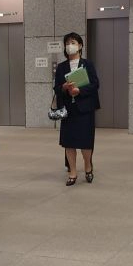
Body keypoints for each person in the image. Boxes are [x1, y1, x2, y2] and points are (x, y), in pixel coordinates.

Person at [54, 31, 100, 187]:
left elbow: (95, 84)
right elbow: (56, 88)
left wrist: (79, 91)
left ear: (80, 46)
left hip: (85, 109)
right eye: (67, 43)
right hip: (69, 110)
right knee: (69, 142)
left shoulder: (88, 64)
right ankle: (72, 172)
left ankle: (88, 166)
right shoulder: (61, 67)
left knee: (85, 142)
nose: (70, 46)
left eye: (73, 43)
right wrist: (64, 87)